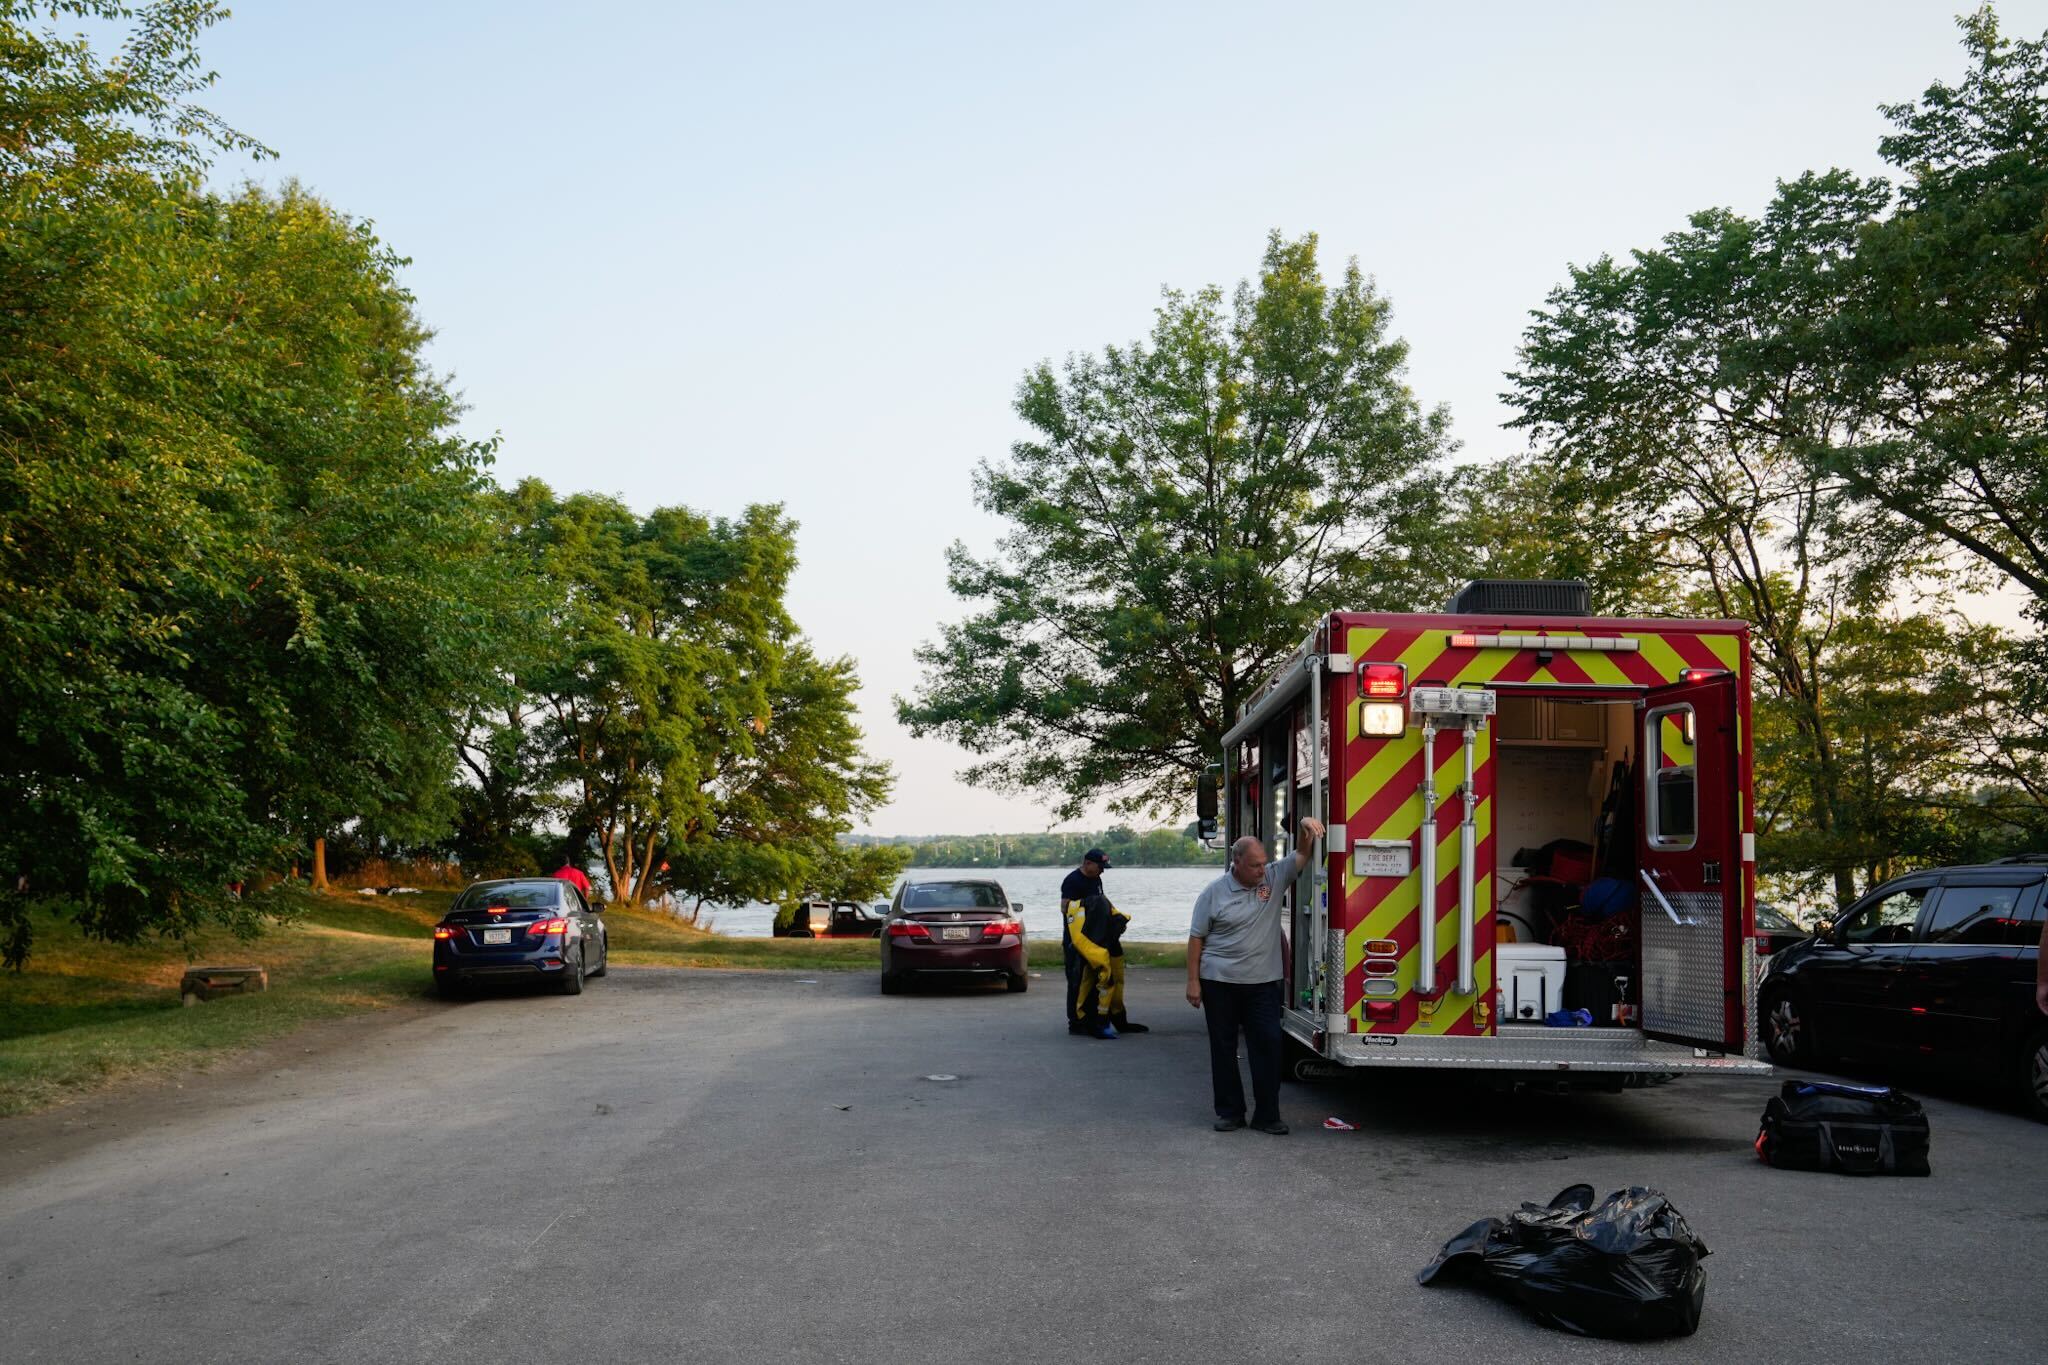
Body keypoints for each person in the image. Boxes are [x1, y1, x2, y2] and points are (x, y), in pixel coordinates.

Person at [1186, 818, 1324, 1135]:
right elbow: (1196, 938)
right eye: (1254, 865)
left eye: (1263, 863)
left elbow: (1302, 855)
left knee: (1268, 1046)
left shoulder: (1273, 878)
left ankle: (1267, 1115)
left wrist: (1304, 826)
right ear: (1236, 863)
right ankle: (1231, 1112)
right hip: (1219, 982)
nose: (1261, 870)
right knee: (1223, 1048)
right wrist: (1193, 981)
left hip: (1263, 984)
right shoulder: (1214, 893)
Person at [1060, 849, 1108, 1035]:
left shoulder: (1096, 879)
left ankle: (1091, 1016)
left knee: (1094, 978)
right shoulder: (1072, 881)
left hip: (1094, 938)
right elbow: (1064, 908)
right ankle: (1075, 1021)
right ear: (1088, 863)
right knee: (1076, 980)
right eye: (1100, 867)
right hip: (1076, 939)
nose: (1102, 871)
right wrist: (1087, 905)